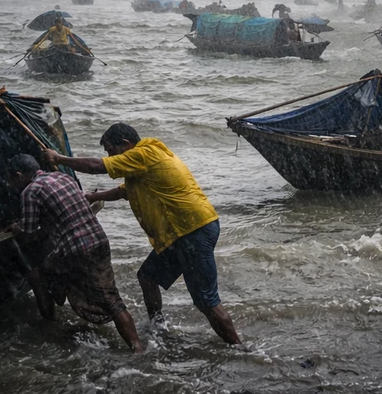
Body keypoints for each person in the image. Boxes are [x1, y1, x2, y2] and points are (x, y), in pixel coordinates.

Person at [43, 123, 242, 345]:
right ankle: (158, 327)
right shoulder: (142, 163)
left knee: (206, 300)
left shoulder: (143, 154)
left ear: (126, 144)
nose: (110, 156)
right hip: (183, 232)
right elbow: (123, 191)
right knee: (147, 276)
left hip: (191, 231)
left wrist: (59, 159)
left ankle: (239, 348)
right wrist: (90, 197)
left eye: (111, 151)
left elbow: (97, 166)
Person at [5, 154, 142, 352]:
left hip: (76, 250)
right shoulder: (63, 177)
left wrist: (15, 227)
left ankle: (49, 326)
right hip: (100, 242)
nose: (12, 185)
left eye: (12, 180)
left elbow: (29, 232)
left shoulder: (30, 192)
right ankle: (137, 348)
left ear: (19, 175)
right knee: (112, 298)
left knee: (37, 275)